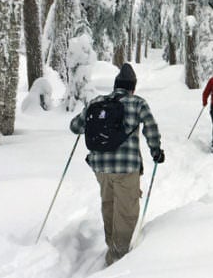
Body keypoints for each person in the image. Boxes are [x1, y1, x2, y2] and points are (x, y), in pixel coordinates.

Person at [70, 63, 165, 266]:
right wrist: (156, 151)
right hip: (125, 168)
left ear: (115, 85)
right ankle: (117, 260)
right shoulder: (137, 103)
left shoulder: (97, 102)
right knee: (126, 212)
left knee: (109, 205)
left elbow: (75, 126)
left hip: (100, 166)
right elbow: (151, 127)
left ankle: (112, 247)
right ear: (132, 87)